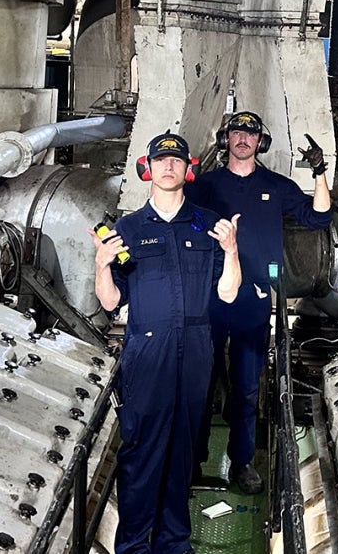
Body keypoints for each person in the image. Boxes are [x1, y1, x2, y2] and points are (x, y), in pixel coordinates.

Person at [91, 131, 241, 554]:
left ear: (188, 168)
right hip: (148, 352)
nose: (169, 166)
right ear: (147, 169)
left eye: (176, 160)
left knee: (183, 450)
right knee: (140, 452)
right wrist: (102, 264)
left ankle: (174, 542)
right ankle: (134, 545)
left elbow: (228, 293)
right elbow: (110, 301)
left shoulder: (209, 224)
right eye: (161, 160)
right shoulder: (127, 229)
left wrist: (230, 251)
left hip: (196, 349)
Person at [185, 111, 332, 494]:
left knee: (248, 386)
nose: (243, 139)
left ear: (260, 142)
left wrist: (319, 171)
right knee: (201, 380)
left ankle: (242, 463)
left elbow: (319, 218)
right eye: (237, 132)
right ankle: (193, 458)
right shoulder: (205, 186)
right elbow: (183, 220)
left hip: (254, 299)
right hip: (211, 296)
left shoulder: (277, 186)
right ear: (226, 139)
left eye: (251, 133)